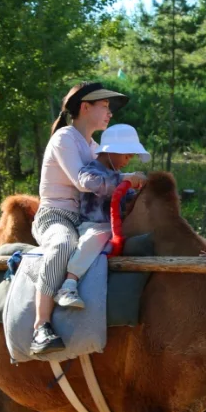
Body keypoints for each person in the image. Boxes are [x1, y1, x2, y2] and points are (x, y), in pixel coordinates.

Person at [32, 83, 147, 356]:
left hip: (86, 217)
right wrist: (127, 180)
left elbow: (106, 184)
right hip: (56, 216)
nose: (109, 113)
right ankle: (40, 326)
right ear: (85, 107)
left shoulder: (94, 145)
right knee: (62, 244)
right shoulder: (64, 138)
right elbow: (85, 183)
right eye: (105, 106)